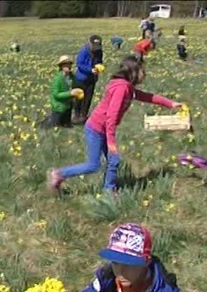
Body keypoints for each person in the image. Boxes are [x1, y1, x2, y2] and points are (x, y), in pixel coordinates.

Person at [47, 56, 182, 193]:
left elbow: (147, 96)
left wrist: (170, 103)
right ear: (133, 72)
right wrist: (111, 143)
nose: (145, 74)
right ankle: (59, 174)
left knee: (114, 160)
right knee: (94, 165)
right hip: (96, 128)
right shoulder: (122, 88)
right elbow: (111, 117)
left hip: (102, 128)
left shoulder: (127, 87)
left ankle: (109, 190)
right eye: (143, 71)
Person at [42, 55, 82, 129]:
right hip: (59, 106)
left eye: (69, 64)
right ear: (61, 66)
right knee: (55, 126)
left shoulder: (72, 77)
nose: (68, 66)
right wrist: (70, 93)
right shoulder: (57, 79)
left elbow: (74, 87)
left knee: (67, 124)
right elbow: (56, 94)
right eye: (65, 64)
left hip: (68, 105)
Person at [73, 35, 103, 124]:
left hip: (92, 79)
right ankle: (76, 116)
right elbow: (79, 64)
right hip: (81, 78)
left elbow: (99, 61)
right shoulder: (83, 51)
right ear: (90, 44)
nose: (96, 47)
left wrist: (99, 67)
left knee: (88, 98)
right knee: (79, 98)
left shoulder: (99, 52)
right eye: (94, 45)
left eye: (98, 45)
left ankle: (83, 116)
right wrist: (90, 69)